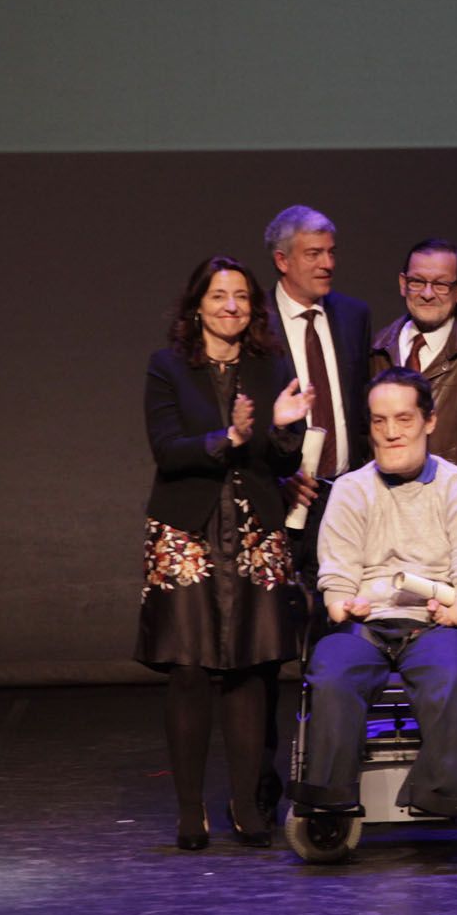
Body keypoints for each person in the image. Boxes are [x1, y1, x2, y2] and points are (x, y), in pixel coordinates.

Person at [135, 255, 315, 850]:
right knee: (188, 671)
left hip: (256, 532)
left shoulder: (271, 367)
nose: (232, 306)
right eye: (219, 296)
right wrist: (230, 438)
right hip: (187, 532)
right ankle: (192, 810)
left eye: (241, 296)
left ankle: (245, 805)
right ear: (197, 305)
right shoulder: (168, 367)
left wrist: (285, 429)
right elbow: (168, 449)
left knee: (249, 670)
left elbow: (283, 462)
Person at [288, 368, 457, 817]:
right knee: (332, 671)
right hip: (365, 623)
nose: (391, 432)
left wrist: (456, 609)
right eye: (380, 422)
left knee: (448, 672)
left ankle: (441, 795)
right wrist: (344, 605)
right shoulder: (350, 490)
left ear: (429, 421)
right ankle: (330, 796)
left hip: (431, 624)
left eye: (403, 419)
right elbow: (337, 582)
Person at [259, 204, 373, 820]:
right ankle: (265, 776)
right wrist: (279, 477)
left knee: (338, 645)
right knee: (271, 644)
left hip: (345, 502)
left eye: (331, 251)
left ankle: (334, 774)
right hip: (283, 504)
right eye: (313, 254)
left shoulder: (352, 316)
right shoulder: (257, 325)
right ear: (283, 261)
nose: (328, 263)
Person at [370, 238, 457, 488]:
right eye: (417, 282)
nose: (427, 294)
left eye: (441, 284)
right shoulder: (377, 349)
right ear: (403, 284)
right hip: (383, 502)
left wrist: (454, 499)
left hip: (447, 505)